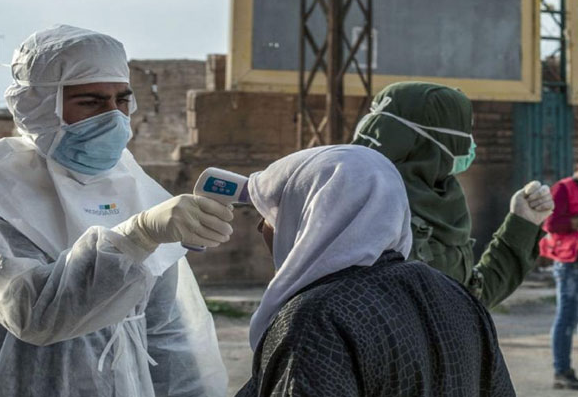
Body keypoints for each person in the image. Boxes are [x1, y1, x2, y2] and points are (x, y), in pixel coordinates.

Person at [0, 25, 229, 397]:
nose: (113, 117)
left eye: (121, 100)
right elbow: (33, 313)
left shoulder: (132, 185)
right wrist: (136, 238)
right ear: (38, 105)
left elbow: (168, 331)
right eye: (90, 102)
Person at [236, 145, 515, 397]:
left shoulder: (315, 319)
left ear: (310, 216)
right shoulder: (458, 298)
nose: (262, 227)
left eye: (274, 214)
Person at [352, 81, 554, 308]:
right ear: (435, 143)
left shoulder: (440, 204)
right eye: (464, 135)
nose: (470, 145)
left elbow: (466, 299)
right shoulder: (367, 208)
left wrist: (522, 223)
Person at [540, 174, 578, 389]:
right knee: (566, 319)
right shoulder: (563, 188)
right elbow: (550, 223)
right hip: (569, 264)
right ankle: (562, 371)